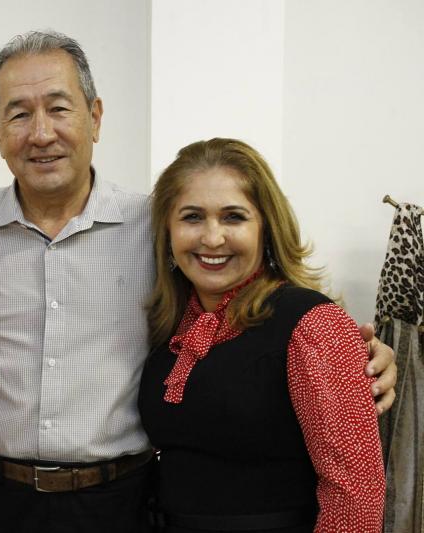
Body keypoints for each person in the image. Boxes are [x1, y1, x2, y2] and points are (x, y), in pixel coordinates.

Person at [0, 30, 395, 533]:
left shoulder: (155, 228)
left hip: (119, 504)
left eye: (59, 108)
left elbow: (264, 311)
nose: (41, 133)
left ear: (95, 117)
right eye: (19, 114)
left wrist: (356, 356)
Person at [138, 138, 385, 532]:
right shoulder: (173, 323)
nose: (212, 238)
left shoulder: (313, 323)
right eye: (192, 217)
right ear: (167, 231)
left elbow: (355, 495)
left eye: (233, 217)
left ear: (266, 228)